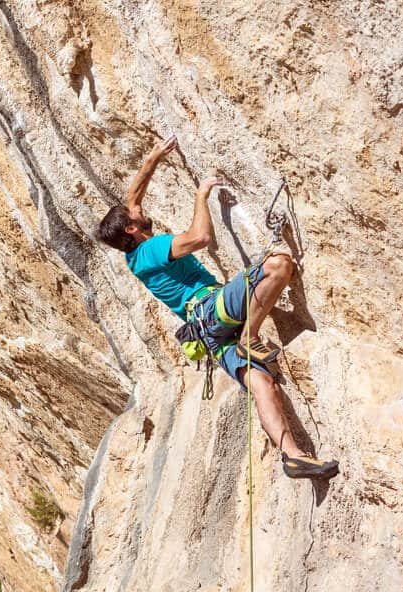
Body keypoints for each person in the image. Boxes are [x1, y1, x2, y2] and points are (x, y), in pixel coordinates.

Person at [96, 136, 338, 480]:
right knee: (278, 264)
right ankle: (249, 335)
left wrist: (153, 158)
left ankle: (294, 457)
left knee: (262, 384)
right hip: (211, 309)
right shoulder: (151, 250)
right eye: (134, 214)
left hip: (209, 335)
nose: (138, 206)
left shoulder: (135, 257)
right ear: (133, 228)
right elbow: (201, 238)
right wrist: (201, 196)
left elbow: (132, 198)